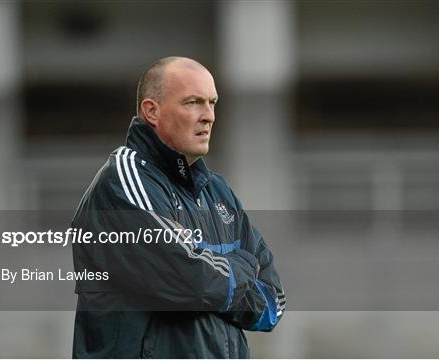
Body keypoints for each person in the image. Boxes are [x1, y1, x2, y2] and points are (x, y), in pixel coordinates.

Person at [71, 56, 285, 358]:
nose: (208, 116)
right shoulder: (122, 180)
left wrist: (209, 270)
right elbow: (192, 282)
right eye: (193, 103)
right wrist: (243, 264)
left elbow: (272, 305)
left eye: (212, 103)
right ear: (152, 111)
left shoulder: (219, 192)